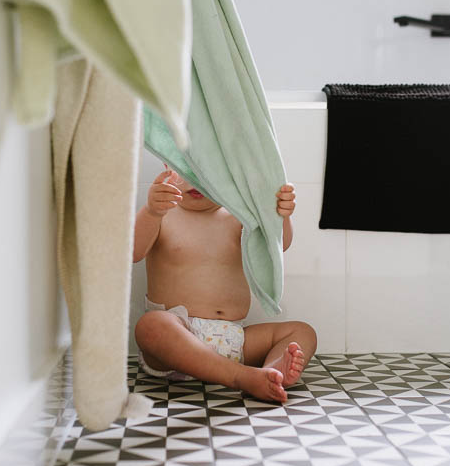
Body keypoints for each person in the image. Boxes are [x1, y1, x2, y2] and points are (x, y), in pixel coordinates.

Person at [132, 166, 317, 403]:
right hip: (178, 340)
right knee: (151, 326)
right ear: (168, 166)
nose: (196, 180)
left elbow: (277, 246)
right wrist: (151, 211)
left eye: (208, 167)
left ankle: (271, 373)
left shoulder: (237, 216)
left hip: (234, 340)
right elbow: (134, 253)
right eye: (186, 168)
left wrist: (281, 216)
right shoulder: (163, 214)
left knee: (302, 331)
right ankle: (243, 377)